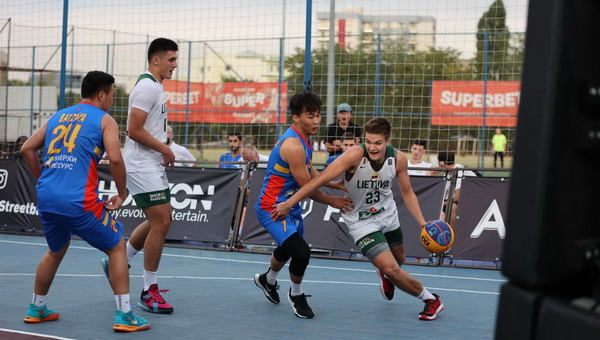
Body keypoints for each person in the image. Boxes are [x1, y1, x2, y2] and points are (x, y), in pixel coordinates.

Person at [271, 117, 445, 321]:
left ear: (388, 141)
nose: (372, 147)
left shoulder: (398, 159)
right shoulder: (353, 156)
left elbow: (407, 193)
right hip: (361, 221)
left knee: (399, 260)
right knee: (392, 268)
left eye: (378, 143)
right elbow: (319, 180)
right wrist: (289, 203)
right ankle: (431, 299)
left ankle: (385, 274)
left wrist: (422, 222)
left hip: (388, 213)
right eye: (368, 141)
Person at [19, 71, 150, 332]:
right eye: (112, 94)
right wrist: (122, 193)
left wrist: (43, 178)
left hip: (47, 196)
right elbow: (115, 159)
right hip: (78, 199)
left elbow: (26, 148)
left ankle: (36, 307)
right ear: (101, 94)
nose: (113, 99)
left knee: (55, 250)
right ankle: (125, 315)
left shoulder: (59, 115)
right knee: (116, 248)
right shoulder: (104, 120)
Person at [253, 91, 353, 319]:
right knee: (301, 253)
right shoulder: (293, 145)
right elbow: (307, 187)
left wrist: (332, 184)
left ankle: (266, 280)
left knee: (287, 248)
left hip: (290, 204)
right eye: (310, 116)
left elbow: (309, 170)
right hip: (274, 208)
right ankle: (296, 293)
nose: (316, 120)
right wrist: (331, 200)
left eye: (318, 115)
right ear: (296, 117)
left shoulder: (304, 139)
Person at [101, 38, 178, 314]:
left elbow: (146, 127)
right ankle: (149, 290)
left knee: (159, 219)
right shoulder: (147, 86)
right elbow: (133, 130)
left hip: (149, 163)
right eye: (171, 59)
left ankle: (121, 259)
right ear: (155, 60)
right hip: (141, 165)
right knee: (162, 220)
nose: (175, 64)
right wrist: (164, 149)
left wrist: (162, 143)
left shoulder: (155, 85)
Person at [435, 151, 477, 228]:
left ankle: (451, 232)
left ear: (442, 163)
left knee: (451, 206)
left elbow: (457, 197)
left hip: (475, 197)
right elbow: (445, 193)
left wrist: (443, 203)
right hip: (467, 197)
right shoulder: (448, 173)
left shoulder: (458, 171)